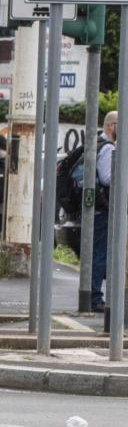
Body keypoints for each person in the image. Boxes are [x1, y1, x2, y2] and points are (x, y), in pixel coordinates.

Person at [92, 111, 117, 313]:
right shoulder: (108, 148)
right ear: (111, 126)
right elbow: (108, 178)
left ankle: (94, 294)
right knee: (100, 253)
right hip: (103, 207)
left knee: (99, 253)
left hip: (96, 207)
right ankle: (95, 297)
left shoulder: (96, 144)